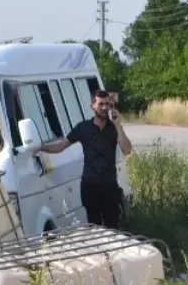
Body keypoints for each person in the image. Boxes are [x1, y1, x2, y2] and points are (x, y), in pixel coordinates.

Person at [36, 88, 133, 228]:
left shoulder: (114, 128)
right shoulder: (83, 128)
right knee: (95, 228)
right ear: (92, 106)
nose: (105, 108)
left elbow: (127, 149)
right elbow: (61, 146)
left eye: (107, 104)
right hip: (90, 186)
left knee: (113, 229)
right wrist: (40, 147)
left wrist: (118, 125)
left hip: (110, 186)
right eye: (101, 104)